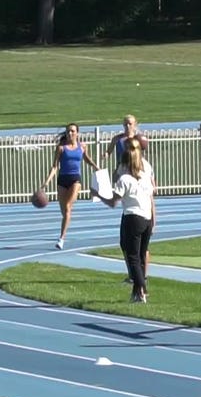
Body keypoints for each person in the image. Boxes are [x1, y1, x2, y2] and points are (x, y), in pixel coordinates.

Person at [102, 144, 156, 303]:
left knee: (132, 256)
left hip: (132, 217)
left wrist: (98, 194)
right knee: (140, 255)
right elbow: (151, 197)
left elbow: (113, 202)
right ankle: (136, 293)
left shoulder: (125, 179)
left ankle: (142, 288)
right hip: (146, 218)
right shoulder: (145, 177)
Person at [40, 123, 99, 250]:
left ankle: (61, 239)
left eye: (72, 131)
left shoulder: (82, 146)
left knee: (67, 208)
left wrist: (95, 166)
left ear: (77, 133)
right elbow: (55, 166)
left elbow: (86, 158)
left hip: (75, 180)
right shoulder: (61, 148)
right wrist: (46, 182)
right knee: (64, 212)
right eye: (68, 131)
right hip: (62, 180)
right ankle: (65, 225)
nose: (70, 133)